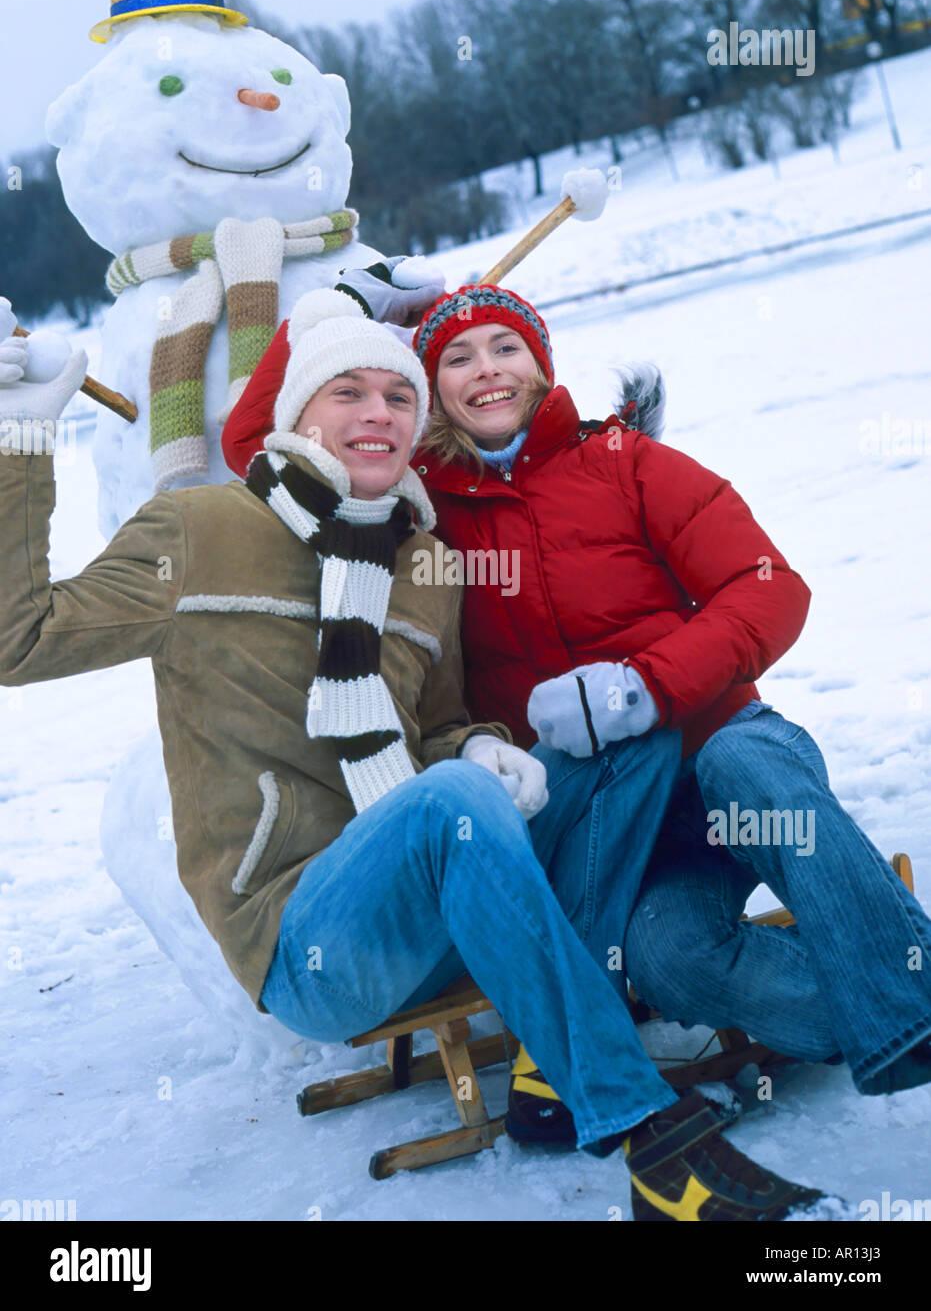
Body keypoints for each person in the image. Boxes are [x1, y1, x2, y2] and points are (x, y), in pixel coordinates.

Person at [223, 272, 931, 1217]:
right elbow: (256, 444)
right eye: (456, 358)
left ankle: (910, 1001)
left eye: (505, 347)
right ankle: (878, 1002)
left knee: (742, 766)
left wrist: (650, 685)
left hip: (716, 739)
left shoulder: (625, 463)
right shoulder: (424, 504)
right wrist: (354, 301)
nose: (485, 371)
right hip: (605, 814)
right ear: (432, 391)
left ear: (540, 363)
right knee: (670, 957)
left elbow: (769, 587)